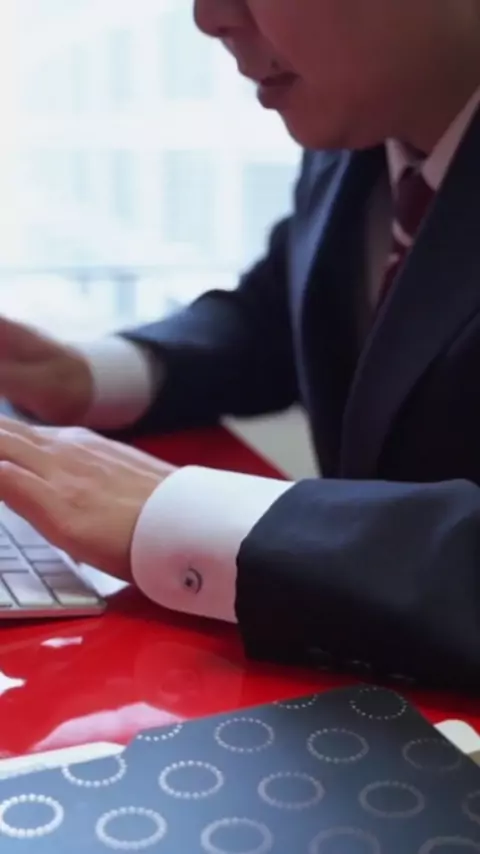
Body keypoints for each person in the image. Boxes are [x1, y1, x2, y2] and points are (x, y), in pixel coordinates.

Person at [0, 0, 479, 690]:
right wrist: (85, 377)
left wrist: (187, 516)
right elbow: (279, 315)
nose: (209, 17)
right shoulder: (365, 131)